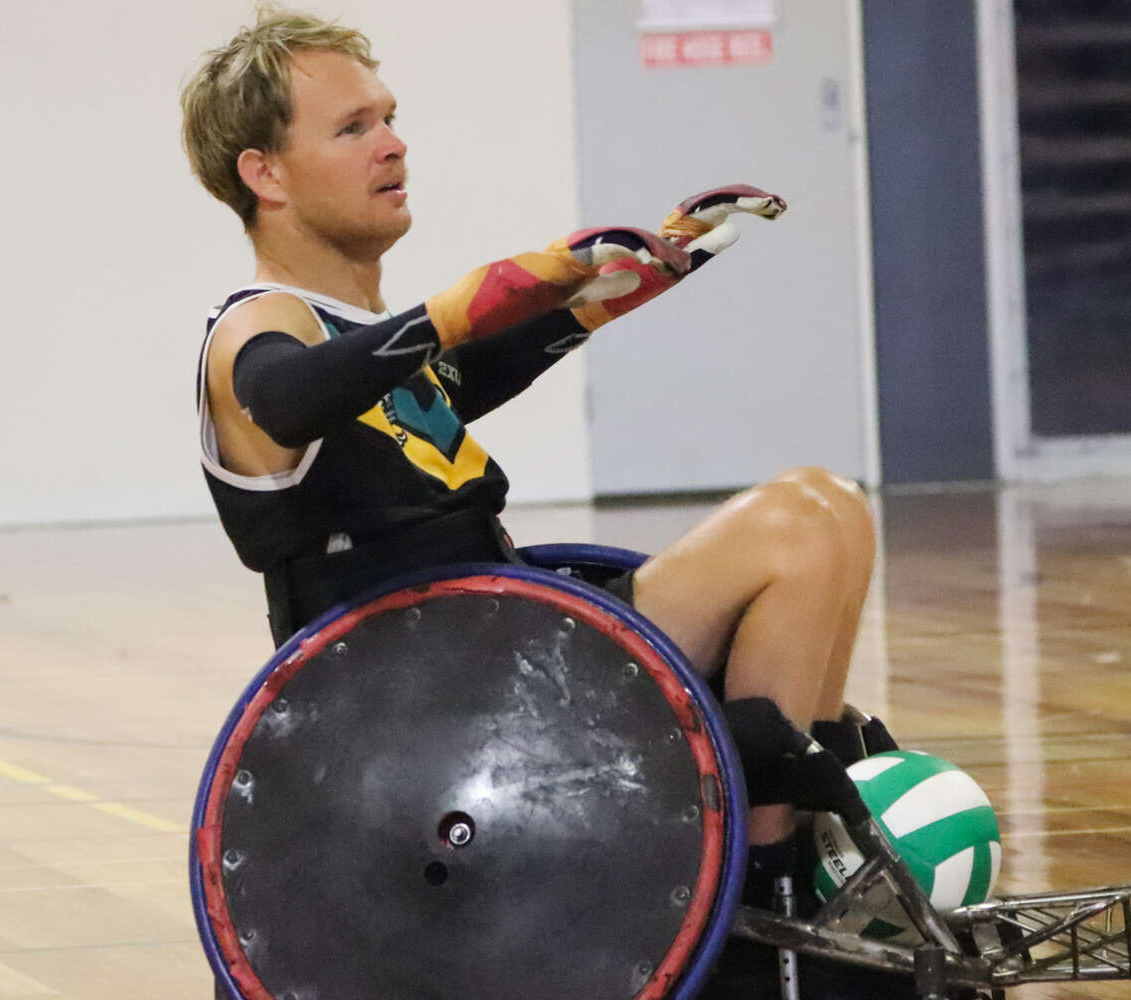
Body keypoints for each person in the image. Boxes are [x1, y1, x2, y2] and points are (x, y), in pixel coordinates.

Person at [181, 8, 896, 996]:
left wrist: (642, 274)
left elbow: (481, 363)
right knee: (791, 530)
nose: (392, 142)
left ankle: (786, 852)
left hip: (500, 655)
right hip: (418, 713)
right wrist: (483, 293)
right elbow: (293, 395)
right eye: (352, 128)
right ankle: (754, 908)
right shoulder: (254, 331)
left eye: (389, 117)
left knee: (832, 509)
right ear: (266, 173)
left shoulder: (361, 335)